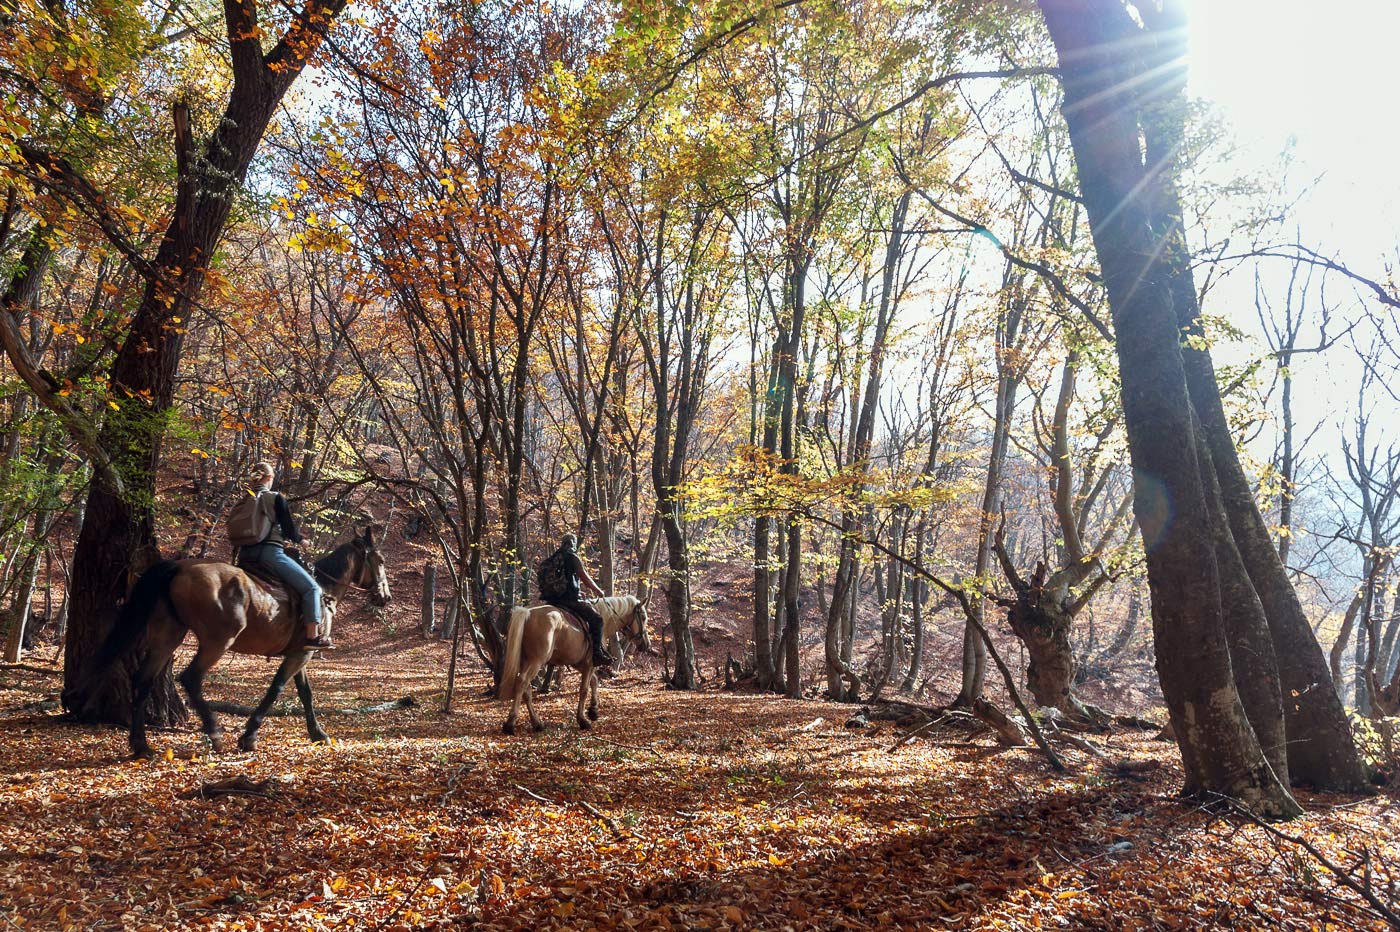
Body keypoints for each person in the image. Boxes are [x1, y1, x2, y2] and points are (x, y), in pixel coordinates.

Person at [238, 462, 333, 650]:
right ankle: (312, 637)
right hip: (270, 555)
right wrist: (301, 540)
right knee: (312, 588)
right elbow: (289, 528)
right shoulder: (275, 498)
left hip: (244, 556)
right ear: (269, 478)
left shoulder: (245, 500)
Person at [541, 533, 612, 668]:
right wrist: (598, 590)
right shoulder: (572, 558)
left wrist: (578, 591)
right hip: (569, 600)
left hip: (553, 599)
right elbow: (584, 577)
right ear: (573, 543)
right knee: (597, 620)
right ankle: (597, 654)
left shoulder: (554, 557)